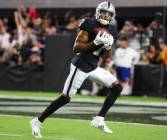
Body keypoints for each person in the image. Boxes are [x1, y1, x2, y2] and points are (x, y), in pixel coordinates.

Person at [30, 1, 122, 138]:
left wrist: (108, 47)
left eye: (109, 14)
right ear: (98, 12)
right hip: (81, 65)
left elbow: (106, 57)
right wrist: (95, 43)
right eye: (103, 12)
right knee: (66, 98)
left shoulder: (112, 30)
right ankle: (37, 121)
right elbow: (76, 48)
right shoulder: (89, 24)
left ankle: (99, 119)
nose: (105, 15)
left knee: (117, 87)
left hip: (93, 66)